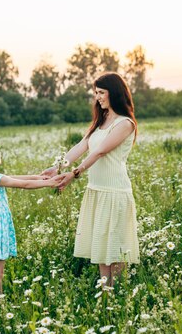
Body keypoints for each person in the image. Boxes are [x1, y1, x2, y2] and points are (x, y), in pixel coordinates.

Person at [43, 72, 139, 287]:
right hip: (96, 189)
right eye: (96, 93)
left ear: (114, 93)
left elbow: (100, 152)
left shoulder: (125, 124)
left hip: (114, 191)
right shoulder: (101, 121)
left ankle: (117, 292)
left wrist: (74, 174)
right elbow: (82, 146)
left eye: (101, 92)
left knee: (114, 245)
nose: (98, 97)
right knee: (101, 244)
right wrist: (58, 166)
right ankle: (106, 291)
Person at [0, 132, 58, 303]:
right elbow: (24, 184)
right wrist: (49, 182)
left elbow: (18, 178)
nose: (0, 154)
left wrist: (40, 177)